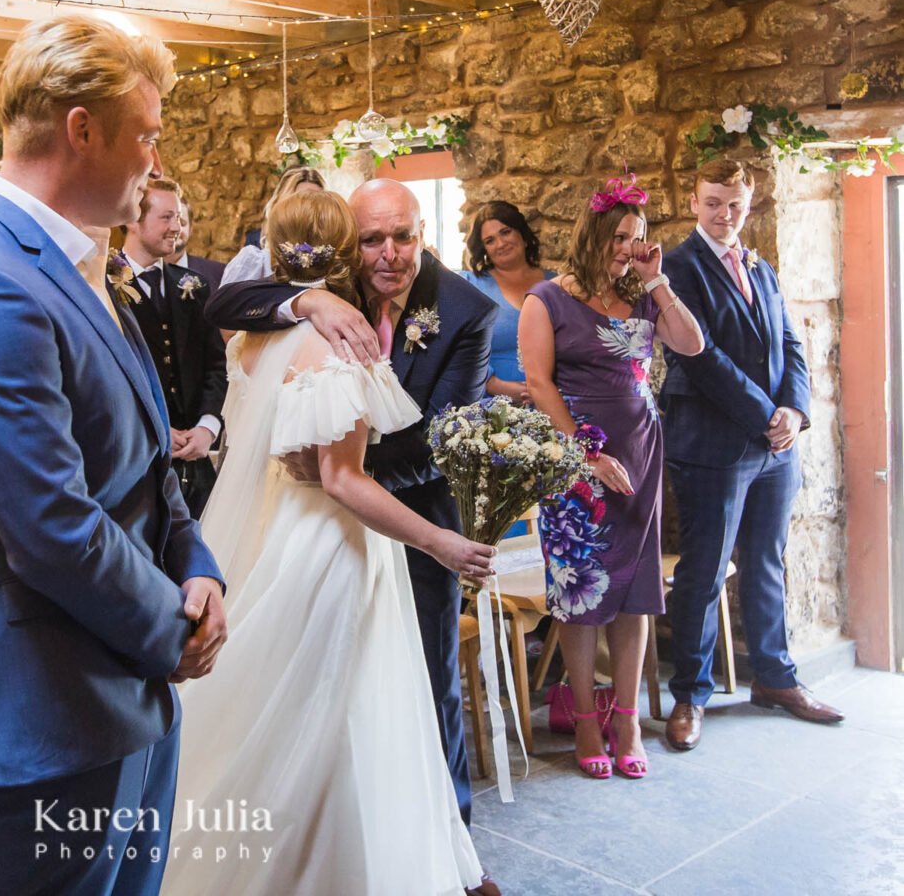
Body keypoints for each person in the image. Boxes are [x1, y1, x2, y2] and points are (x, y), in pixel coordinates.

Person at [0, 15, 226, 896]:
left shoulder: (75, 265)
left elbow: (148, 465)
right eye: (147, 137)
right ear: (82, 130)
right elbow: (50, 526)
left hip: (132, 698)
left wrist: (198, 569)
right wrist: (174, 633)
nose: (155, 163)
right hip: (50, 713)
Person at [164, 191, 491, 895]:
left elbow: (441, 435)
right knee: (343, 711)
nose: (387, 255)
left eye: (401, 238)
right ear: (347, 250)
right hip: (338, 541)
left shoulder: (461, 311)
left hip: (295, 525)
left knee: (395, 698)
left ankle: (427, 843)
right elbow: (341, 479)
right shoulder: (329, 336)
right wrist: (435, 539)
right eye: (370, 240)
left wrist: (342, 470)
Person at [519, 175, 703, 780]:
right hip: (576, 463)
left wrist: (657, 280)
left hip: (641, 455)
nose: (629, 246)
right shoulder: (546, 300)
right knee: (580, 594)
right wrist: (585, 454)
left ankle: (626, 719)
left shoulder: (645, 293)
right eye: (621, 236)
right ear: (594, 234)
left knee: (635, 590)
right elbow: (540, 384)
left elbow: (692, 345)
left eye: (640, 237)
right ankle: (588, 722)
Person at [660, 158, 843, 751]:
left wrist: (792, 411)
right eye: (713, 202)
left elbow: (790, 339)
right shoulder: (677, 268)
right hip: (713, 444)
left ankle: (774, 678)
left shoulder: (758, 264)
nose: (724, 215)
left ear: (750, 203)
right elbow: (701, 357)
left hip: (775, 446)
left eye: (735, 204)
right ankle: (690, 693)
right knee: (704, 572)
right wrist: (765, 415)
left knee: (768, 562)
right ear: (694, 202)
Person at [118, 177, 226, 517]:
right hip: (134, 466)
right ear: (133, 221)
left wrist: (207, 428)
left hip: (195, 467)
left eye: (179, 218)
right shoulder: (103, 288)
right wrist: (155, 429)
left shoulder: (192, 286)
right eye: (166, 218)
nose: (177, 227)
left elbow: (216, 366)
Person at [460, 200, 554, 405]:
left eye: (506, 232)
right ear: (483, 249)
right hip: (491, 403)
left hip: (552, 399)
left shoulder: (556, 285)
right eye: (490, 240)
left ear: (522, 233)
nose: (501, 244)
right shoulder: (470, 286)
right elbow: (456, 347)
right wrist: (494, 384)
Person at [220, 164, 325, 285]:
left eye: (317, 201)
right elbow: (228, 302)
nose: (309, 209)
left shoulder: (333, 262)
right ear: (281, 205)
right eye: (300, 200)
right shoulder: (256, 260)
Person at [169, 197, 225, 282]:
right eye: (167, 221)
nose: (175, 228)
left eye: (182, 223)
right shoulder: (144, 272)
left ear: (191, 229)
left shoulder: (218, 274)